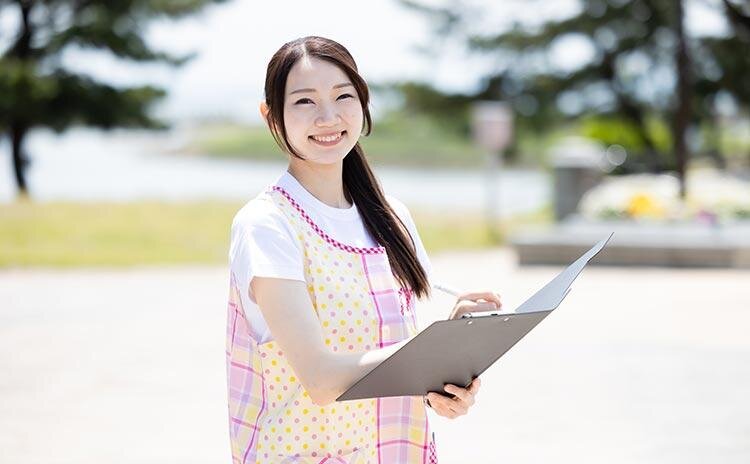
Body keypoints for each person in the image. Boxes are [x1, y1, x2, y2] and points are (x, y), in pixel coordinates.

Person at [225, 36, 502, 464]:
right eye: (304, 102)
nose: (328, 117)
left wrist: (446, 370)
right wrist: (427, 352)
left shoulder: (392, 217)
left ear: (364, 102)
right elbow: (320, 378)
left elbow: (395, 357)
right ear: (271, 116)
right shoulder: (267, 225)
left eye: (343, 97)